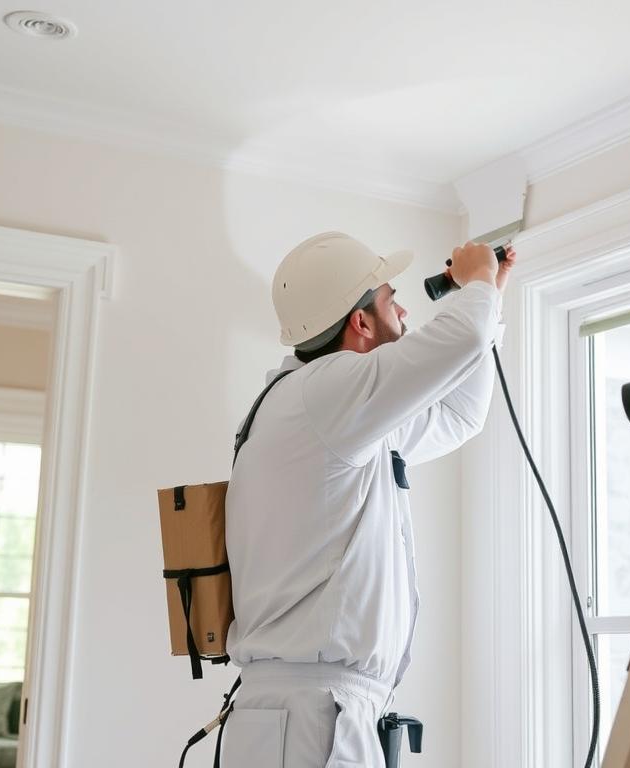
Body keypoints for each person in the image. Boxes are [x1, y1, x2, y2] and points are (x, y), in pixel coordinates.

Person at [220, 232, 515, 767]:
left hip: (310, 715)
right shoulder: (327, 392)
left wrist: (487, 295)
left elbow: (458, 417)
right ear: (360, 322)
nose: (402, 310)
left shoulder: (328, 412)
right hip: (310, 717)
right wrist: (476, 288)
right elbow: (462, 339)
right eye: (389, 299)